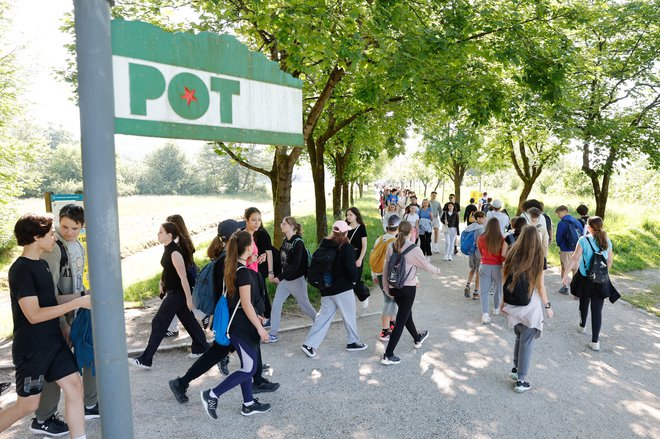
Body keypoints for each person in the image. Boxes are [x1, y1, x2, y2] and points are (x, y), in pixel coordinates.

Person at [168, 220, 279, 405]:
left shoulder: (229, 258)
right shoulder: (226, 261)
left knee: (230, 353)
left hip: (233, 317)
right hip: (233, 320)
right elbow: (232, 293)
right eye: (239, 231)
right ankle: (188, 384)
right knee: (229, 354)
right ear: (233, 237)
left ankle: (254, 385)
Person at [1, 213, 91, 438]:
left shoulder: (42, 265)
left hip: (53, 342)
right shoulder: (20, 270)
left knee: (74, 387)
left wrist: (82, 295)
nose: (54, 237)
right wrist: (79, 302)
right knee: (28, 406)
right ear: (35, 236)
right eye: (51, 234)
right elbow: (34, 314)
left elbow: (50, 302)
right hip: (32, 348)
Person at [31, 205, 98, 437]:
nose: (68, 231)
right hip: (60, 315)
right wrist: (62, 324)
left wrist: (85, 294)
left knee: (88, 353)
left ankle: (90, 403)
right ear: (59, 221)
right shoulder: (54, 248)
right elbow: (48, 294)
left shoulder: (78, 244)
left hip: (77, 311)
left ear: (82, 226)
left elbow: (76, 279)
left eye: (74, 228)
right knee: (56, 366)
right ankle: (43, 417)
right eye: (65, 226)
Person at [200, 231, 272, 419]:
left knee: (247, 365)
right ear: (249, 248)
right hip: (243, 327)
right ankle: (212, 395)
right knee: (249, 368)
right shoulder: (244, 274)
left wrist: (257, 318)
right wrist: (259, 327)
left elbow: (239, 303)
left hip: (239, 324)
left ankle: (248, 404)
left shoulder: (232, 270)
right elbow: (246, 304)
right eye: (253, 243)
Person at [129, 222, 209, 369]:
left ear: (169, 235)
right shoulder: (168, 249)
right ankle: (202, 348)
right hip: (174, 292)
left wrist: (189, 299)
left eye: (161, 232)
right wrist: (162, 282)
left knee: (158, 322)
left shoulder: (175, 252)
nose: (158, 234)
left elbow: (183, 277)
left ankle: (146, 359)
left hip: (177, 294)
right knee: (189, 321)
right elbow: (168, 270)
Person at [301, 221, 367, 358]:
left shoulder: (325, 244)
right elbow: (351, 270)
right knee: (349, 316)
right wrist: (355, 281)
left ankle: (309, 344)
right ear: (346, 233)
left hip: (327, 288)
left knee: (323, 317)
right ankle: (353, 342)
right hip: (343, 289)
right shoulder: (346, 247)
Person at [500, 225, 554, 393]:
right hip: (530, 305)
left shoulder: (513, 252)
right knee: (527, 341)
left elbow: (504, 277)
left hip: (513, 303)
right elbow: (540, 286)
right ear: (537, 239)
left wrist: (503, 303)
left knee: (519, 337)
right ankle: (521, 381)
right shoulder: (539, 257)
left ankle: (516, 370)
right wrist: (548, 306)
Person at [380, 220, 441, 365]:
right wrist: (438, 270)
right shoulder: (414, 249)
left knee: (406, 314)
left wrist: (386, 288)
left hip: (394, 287)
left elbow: (385, 270)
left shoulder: (391, 246)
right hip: (407, 288)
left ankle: (417, 337)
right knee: (401, 320)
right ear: (411, 232)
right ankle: (388, 355)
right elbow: (427, 266)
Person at [562, 217, 614, 351]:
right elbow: (609, 261)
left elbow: (574, 259)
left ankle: (582, 325)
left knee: (584, 301)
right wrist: (603, 274)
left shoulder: (584, 240)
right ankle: (595, 341)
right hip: (600, 280)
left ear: (589, 227)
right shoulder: (607, 240)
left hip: (585, 278)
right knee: (597, 310)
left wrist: (566, 274)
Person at [267, 217, 317, 342]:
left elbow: (296, 265)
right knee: (276, 304)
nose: (281, 225)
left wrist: (280, 277)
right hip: (285, 281)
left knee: (305, 305)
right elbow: (282, 260)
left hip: (296, 281)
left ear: (292, 226)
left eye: (285, 223)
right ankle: (273, 333)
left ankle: (319, 323)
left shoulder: (298, 242)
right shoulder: (285, 240)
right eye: (282, 222)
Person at [165, 214, 200, 338]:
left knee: (177, 302)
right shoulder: (180, 239)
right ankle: (172, 328)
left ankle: (202, 315)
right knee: (175, 303)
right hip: (180, 277)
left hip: (182, 278)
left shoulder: (180, 242)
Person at [371, 215, 400, 342]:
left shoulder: (380, 239)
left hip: (379, 273)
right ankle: (384, 330)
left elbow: (373, 256)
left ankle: (392, 322)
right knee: (390, 301)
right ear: (398, 228)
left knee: (389, 299)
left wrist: (374, 274)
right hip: (389, 276)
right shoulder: (395, 243)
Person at [243, 208, 274, 326]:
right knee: (251, 306)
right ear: (246, 220)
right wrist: (251, 260)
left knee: (256, 305)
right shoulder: (244, 237)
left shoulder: (252, 236)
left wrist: (261, 257)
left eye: (259, 220)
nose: (257, 223)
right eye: (253, 220)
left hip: (254, 274)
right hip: (247, 276)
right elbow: (236, 261)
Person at [477, 218, 509, 324]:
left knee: (484, 291)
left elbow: (481, 251)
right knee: (498, 287)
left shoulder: (481, 237)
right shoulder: (502, 239)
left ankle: (485, 314)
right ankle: (496, 308)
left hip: (485, 265)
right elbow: (503, 254)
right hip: (498, 266)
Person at [555, 206, 583, 295]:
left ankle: (565, 287)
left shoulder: (562, 223)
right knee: (575, 269)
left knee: (565, 268)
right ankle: (575, 288)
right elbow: (581, 233)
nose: (558, 216)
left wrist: (560, 245)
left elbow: (559, 237)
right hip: (577, 249)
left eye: (559, 213)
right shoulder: (577, 221)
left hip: (565, 249)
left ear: (564, 211)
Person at [346, 207, 369, 307]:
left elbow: (364, 246)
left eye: (350, 215)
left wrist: (360, 259)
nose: (348, 217)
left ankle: (364, 295)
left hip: (357, 256)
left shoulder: (361, 227)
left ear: (356, 215)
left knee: (356, 279)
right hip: (346, 256)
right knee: (346, 279)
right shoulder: (345, 226)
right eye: (347, 215)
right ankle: (348, 302)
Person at [463, 211, 486, 299]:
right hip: (478, 253)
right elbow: (480, 243)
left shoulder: (469, 227)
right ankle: (476, 292)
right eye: (483, 217)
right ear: (478, 218)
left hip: (470, 252)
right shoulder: (481, 229)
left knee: (472, 269)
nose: (484, 219)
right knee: (478, 272)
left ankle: (468, 285)